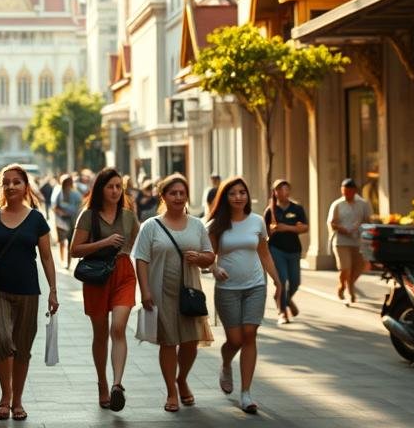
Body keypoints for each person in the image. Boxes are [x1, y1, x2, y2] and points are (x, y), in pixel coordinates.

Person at [0, 164, 58, 422]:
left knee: (22, 349)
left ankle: (17, 400)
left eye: (16, 182)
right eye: (6, 182)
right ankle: (5, 397)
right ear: (1, 187)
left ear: (26, 186)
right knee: (1, 342)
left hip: (29, 291)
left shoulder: (37, 219)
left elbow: (47, 258)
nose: (10, 186)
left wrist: (53, 291)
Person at [132, 174, 215, 414]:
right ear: (163, 197)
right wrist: (145, 290)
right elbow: (141, 259)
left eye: (182, 193)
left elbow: (210, 256)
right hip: (161, 291)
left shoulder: (197, 225)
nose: (178, 197)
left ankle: (182, 379)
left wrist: (199, 258)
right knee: (168, 342)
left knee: (190, 341)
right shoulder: (151, 226)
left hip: (189, 290)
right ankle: (171, 390)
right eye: (173, 193)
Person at [207, 177, 282, 415]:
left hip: (255, 286)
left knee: (250, 335)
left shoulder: (257, 221)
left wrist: (277, 281)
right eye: (233, 193)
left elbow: (265, 253)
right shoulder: (216, 225)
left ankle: (246, 393)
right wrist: (215, 269)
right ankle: (227, 362)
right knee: (236, 339)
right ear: (225, 198)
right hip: (227, 289)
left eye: (242, 192)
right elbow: (209, 256)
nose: (239, 197)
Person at [69, 167, 139, 412]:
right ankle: (102, 382)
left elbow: (137, 243)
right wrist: (105, 242)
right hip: (97, 277)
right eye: (110, 186)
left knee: (118, 328)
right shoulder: (88, 216)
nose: (116, 191)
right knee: (100, 334)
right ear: (100, 189)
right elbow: (74, 250)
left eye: (119, 186)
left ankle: (117, 385)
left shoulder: (129, 216)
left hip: (123, 274)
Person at [264, 179, 308, 323]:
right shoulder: (270, 210)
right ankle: (282, 312)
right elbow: (263, 232)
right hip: (276, 250)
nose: (283, 192)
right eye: (279, 189)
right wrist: (271, 230)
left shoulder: (297, 208)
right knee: (281, 281)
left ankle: (285, 299)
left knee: (295, 282)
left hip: (294, 250)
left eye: (285, 189)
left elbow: (304, 227)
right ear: (274, 192)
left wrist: (287, 228)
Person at [328, 177, 374, 304]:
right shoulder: (337, 204)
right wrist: (342, 229)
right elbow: (331, 223)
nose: (346, 194)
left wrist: (360, 228)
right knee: (345, 268)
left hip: (358, 241)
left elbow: (368, 221)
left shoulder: (363, 204)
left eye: (348, 191)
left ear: (354, 191)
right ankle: (343, 286)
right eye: (343, 191)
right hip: (341, 241)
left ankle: (350, 284)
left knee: (359, 267)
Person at [51, 174, 83, 268]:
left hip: (72, 220)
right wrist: (61, 213)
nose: (68, 184)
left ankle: (68, 264)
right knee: (61, 241)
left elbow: (79, 206)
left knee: (70, 242)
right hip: (60, 221)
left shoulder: (76, 193)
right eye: (66, 182)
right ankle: (62, 260)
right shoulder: (58, 192)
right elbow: (54, 206)